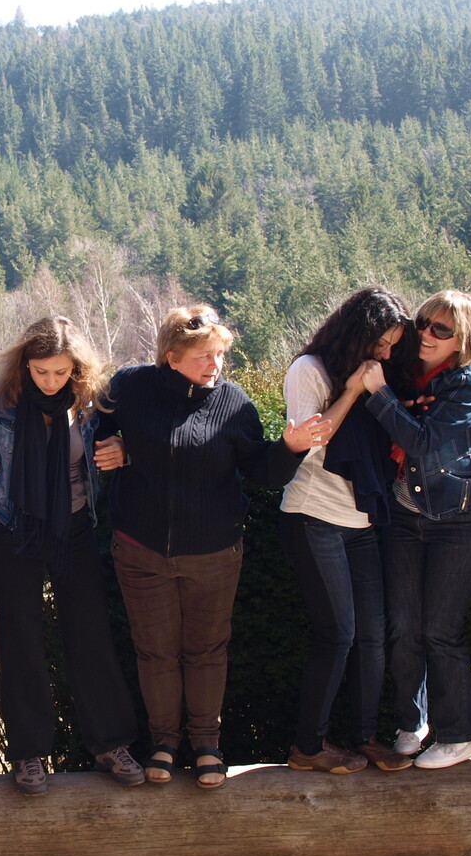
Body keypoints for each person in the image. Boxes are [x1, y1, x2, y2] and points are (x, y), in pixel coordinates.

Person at [96, 305, 330, 789]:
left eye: (220, 354)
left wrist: (290, 447)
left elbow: (261, 471)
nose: (215, 365)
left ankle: (207, 746)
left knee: (206, 651)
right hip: (140, 551)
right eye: (203, 355)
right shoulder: (130, 387)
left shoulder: (233, 403)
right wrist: (113, 445)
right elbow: (93, 428)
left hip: (214, 554)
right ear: (172, 356)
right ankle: (164, 744)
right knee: (155, 653)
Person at [0, 315, 144, 795]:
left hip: (75, 527)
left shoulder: (94, 401)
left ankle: (111, 744)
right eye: (41, 372)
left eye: (60, 372)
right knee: (21, 640)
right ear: (25, 365)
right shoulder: (2, 400)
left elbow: (130, 439)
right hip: (16, 527)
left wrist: (123, 448)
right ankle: (29, 753)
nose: (51, 381)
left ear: (75, 368)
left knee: (90, 634)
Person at [358, 290, 471, 769]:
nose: (427, 334)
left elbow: (421, 442)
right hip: (406, 515)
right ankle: (411, 724)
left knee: (440, 630)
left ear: (463, 339)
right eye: (423, 322)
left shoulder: (466, 384)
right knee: (403, 627)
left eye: (442, 329)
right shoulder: (403, 372)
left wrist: (380, 395)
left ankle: (459, 736)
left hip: (462, 520)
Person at [278, 287, 411, 776]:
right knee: (338, 635)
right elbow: (311, 441)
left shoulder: (381, 375)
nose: (386, 354)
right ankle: (307, 746)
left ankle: (364, 738)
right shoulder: (309, 370)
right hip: (313, 516)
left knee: (373, 637)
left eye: (393, 346)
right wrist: (353, 391)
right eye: (381, 343)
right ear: (358, 333)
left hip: (361, 521)